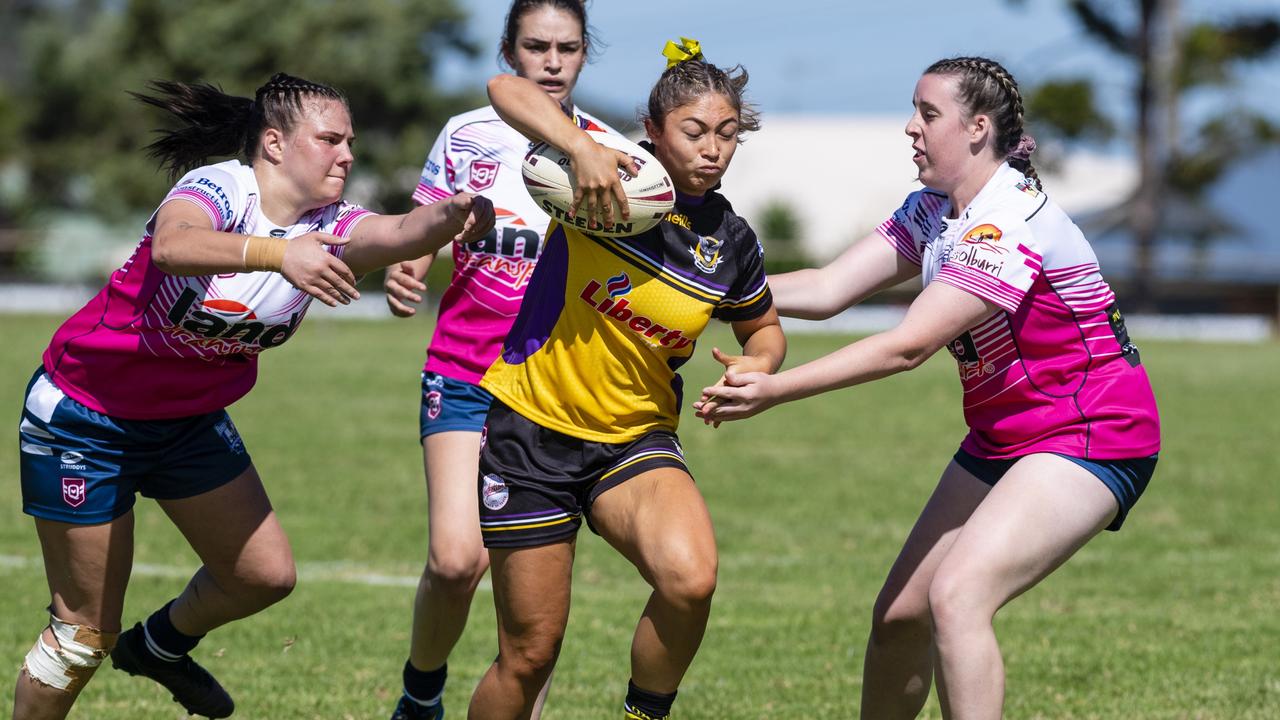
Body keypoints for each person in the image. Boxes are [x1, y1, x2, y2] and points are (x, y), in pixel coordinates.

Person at [12, 73, 493, 720]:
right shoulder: (220, 187)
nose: (347, 153)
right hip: (86, 416)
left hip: (184, 421)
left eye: (350, 141)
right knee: (80, 638)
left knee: (264, 574)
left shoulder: (336, 224)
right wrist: (276, 254)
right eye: (329, 139)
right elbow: (175, 245)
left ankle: (157, 648)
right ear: (274, 142)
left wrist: (459, 213)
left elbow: (403, 231)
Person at [695, 56, 1160, 720]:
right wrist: (698, 288)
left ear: (977, 128)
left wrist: (776, 389)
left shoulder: (1006, 222)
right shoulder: (935, 211)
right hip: (1007, 436)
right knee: (900, 618)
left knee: (958, 596)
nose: (911, 128)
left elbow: (907, 345)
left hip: (1091, 433)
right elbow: (827, 289)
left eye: (928, 114)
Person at [466, 39, 786, 720]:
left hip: (633, 440)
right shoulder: (604, 182)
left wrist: (759, 366)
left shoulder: (729, 241)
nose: (714, 150)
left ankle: (644, 715)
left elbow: (763, 329)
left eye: (728, 135)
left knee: (690, 580)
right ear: (656, 131)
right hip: (532, 433)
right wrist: (579, 147)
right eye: (695, 132)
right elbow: (507, 89)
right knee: (529, 655)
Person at [381, 3, 614, 718]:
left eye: (566, 48)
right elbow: (428, 219)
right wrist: (408, 263)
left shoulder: (607, 154)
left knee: (529, 596)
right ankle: (421, 695)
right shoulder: (467, 133)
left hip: (551, 391)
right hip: (462, 371)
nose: (551, 61)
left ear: (583, 55)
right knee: (456, 560)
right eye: (535, 46)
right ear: (509, 51)